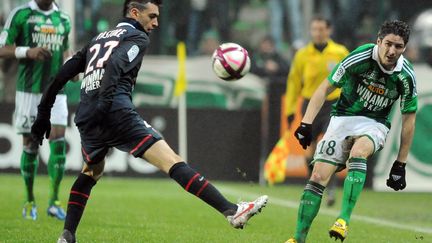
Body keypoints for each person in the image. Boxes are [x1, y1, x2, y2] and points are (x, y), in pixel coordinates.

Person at [30, 1, 268, 242]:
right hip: (114, 111)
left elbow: (61, 74)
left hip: (86, 117)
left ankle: (67, 235)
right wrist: (105, 107)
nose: (156, 23)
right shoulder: (137, 37)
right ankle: (232, 211)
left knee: (91, 171)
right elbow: (115, 65)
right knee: (172, 161)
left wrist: (42, 115)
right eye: (152, 16)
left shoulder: (98, 39)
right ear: (135, 13)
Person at [286, 20, 417, 243]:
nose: (392, 51)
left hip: (374, 123)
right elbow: (325, 87)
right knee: (317, 176)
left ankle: (343, 220)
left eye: (399, 46)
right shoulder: (360, 57)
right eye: (388, 44)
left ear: (404, 48)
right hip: (343, 117)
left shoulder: (406, 75)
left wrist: (400, 163)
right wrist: (306, 123)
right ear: (378, 41)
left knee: (358, 152)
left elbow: (409, 119)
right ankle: (298, 239)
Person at [0, 0, 73, 220]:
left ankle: (54, 201)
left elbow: (66, 50)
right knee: (31, 144)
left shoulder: (64, 18)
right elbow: (2, 48)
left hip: (56, 89)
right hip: (28, 91)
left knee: (58, 143)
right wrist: (28, 51)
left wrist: (73, 67)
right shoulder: (20, 15)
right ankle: (29, 200)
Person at [285, 16, 349, 207]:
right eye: (314, 29)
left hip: (333, 103)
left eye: (321, 29)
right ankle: (312, 183)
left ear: (329, 31)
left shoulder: (340, 52)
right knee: (309, 150)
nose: (317, 33)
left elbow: (350, 77)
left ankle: (330, 188)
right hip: (310, 104)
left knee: (330, 145)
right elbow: (294, 81)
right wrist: (289, 109)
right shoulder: (302, 55)